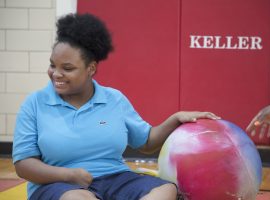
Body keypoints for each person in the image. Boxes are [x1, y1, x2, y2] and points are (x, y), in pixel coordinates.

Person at [12, 13, 220, 200]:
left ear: (91, 68)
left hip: (115, 178)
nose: (56, 74)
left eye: (67, 68)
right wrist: (69, 174)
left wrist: (175, 119)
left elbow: (146, 142)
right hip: (59, 186)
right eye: (52, 65)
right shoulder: (35, 104)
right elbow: (23, 165)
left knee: (166, 191)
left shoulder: (114, 99)